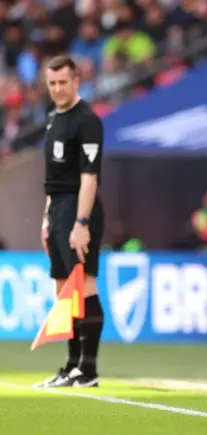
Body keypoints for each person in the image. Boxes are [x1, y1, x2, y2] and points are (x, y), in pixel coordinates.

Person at [33, 55, 105, 389]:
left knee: (84, 285)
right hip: (59, 209)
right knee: (64, 290)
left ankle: (87, 370)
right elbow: (52, 180)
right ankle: (71, 366)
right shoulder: (52, 119)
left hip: (79, 208)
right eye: (53, 84)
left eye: (64, 82)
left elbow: (89, 178)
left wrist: (82, 222)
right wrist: (47, 219)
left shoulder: (87, 120)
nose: (58, 89)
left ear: (77, 81)